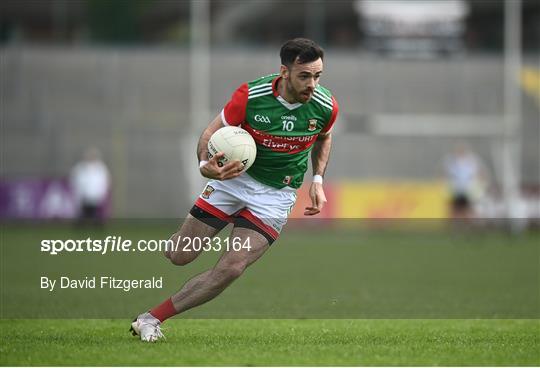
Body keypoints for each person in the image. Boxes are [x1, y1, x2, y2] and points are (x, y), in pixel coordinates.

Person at [130, 38, 339, 342]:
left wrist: (317, 180)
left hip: (275, 197)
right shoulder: (250, 96)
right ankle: (178, 239)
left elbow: (324, 137)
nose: (312, 84)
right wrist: (205, 165)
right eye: (305, 76)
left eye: (318, 76)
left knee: (232, 267)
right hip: (233, 181)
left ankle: (151, 319)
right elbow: (211, 132)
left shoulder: (325, 105)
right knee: (179, 255)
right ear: (284, 72)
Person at [444, 142, 488, 219]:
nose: (460, 152)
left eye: (462, 150)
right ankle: (455, 222)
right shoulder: (450, 160)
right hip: (456, 188)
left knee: (470, 207)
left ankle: (471, 222)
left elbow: (480, 171)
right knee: (455, 207)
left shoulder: (473, 160)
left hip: (469, 187)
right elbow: (446, 173)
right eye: (458, 150)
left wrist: (481, 182)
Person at [70, 147, 110, 225]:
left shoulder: (100, 168)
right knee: (84, 211)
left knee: (94, 211)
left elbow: (104, 181)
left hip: (95, 194)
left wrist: (102, 192)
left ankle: (96, 226)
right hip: (84, 194)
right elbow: (75, 180)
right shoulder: (80, 167)